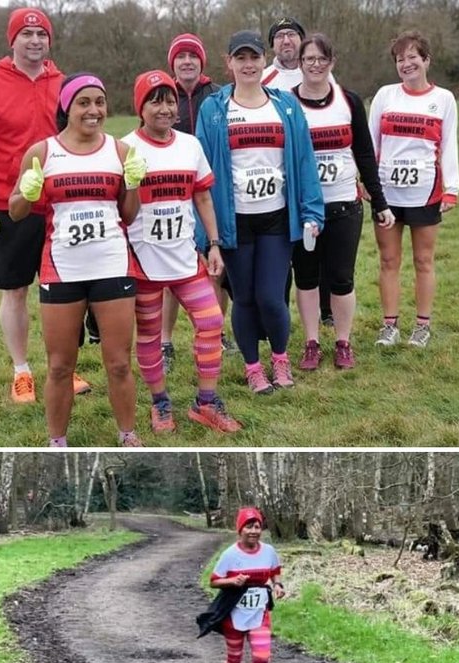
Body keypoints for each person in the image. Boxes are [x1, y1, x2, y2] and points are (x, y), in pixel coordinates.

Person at [0, 8, 93, 403]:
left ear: (49, 40)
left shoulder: (65, 84)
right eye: (26, 33)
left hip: (61, 205)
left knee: (64, 293)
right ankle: (21, 372)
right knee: (15, 290)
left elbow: (84, 137)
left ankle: (63, 368)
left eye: (41, 34)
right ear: (12, 40)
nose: (34, 40)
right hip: (8, 205)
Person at [8, 73, 147, 447]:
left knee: (118, 362)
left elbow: (129, 215)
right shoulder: (42, 152)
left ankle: (127, 434)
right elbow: (15, 210)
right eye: (84, 102)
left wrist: (133, 185)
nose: (93, 110)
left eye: (99, 102)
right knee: (59, 366)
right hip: (63, 268)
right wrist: (27, 192)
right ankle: (57, 441)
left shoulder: (120, 152)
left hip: (112, 265)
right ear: (67, 107)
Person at [195, 31, 324, 395]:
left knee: (271, 296)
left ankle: (280, 359)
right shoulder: (215, 110)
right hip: (235, 221)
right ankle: (253, 368)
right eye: (241, 58)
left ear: (263, 61)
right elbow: (201, 171)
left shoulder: (284, 106)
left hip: (276, 217)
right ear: (230, 63)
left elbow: (304, 161)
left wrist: (312, 210)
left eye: (254, 58)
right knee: (245, 298)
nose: (248, 64)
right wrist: (207, 236)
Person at [125, 71, 241, 435]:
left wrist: (214, 243)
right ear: (140, 107)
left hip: (185, 256)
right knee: (149, 336)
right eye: (155, 100)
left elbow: (202, 196)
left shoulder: (190, 145)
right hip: (143, 261)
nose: (165, 108)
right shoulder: (124, 147)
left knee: (210, 322)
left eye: (170, 100)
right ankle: (160, 403)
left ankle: (205, 403)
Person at [292, 33, 392, 371]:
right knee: (306, 278)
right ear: (300, 64)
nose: (316, 65)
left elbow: (364, 153)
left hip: (345, 205)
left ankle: (343, 342)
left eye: (322, 59)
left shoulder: (348, 102)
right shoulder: (288, 103)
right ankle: (311, 342)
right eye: (309, 59)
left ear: (331, 62)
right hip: (306, 210)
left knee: (341, 278)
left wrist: (380, 202)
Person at [369, 30, 459, 349]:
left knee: (423, 260)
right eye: (400, 59)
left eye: (412, 57)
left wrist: (452, 188)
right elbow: (370, 145)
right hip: (386, 195)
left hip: (426, 192)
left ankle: (422, 326)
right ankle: (389, 326)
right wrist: (366, 183)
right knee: (389, 260)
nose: (406, 64)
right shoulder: (384, 96)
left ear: (426, 60)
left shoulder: (444, 99)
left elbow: (449, 145)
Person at [161, 31, 227, 372]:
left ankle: (217, 331)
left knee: (216, 266)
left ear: (202, 61)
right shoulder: (163, 97)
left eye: (193, 56)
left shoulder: (217, 96)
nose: (187, 61)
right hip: (173, 195)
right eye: (180, 56)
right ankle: (166, 341)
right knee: (174, 272)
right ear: (172, 62)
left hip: (210, 193)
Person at [209, 507, 285, 663]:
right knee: (234, 658)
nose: (254, 531)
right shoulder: (230, 554)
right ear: (240, 529)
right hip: (234, 614)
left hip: (259, 613)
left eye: (257, 526)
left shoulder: (269, 551)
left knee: (262, 656)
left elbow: (275, 571)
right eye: (249, 526)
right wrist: (232, 581)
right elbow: (214, 581)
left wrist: (278, 585)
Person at [262, 17, 305, 90]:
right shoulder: (261, 81)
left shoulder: (319, 75)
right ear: (272, 45)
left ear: (302, 40)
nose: (286, 41)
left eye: (291, 34)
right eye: (279, 36)